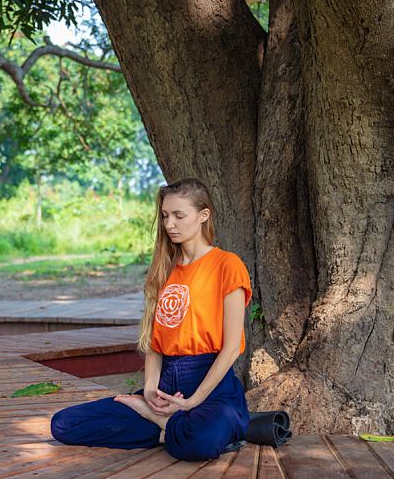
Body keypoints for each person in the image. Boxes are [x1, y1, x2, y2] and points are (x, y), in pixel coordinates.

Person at [50, 177, 251, 461]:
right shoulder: (164, 271)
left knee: (201, 441)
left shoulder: (227, 265)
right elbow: (156, 346)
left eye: (179, 216)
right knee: (64, 424)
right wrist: (149, 392)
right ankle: (171, 431)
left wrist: (191, 402)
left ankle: (165, 426)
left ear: (203, 215)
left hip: (211, 390)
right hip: (165, 385)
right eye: (166, 216)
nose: (169, 224)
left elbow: (231, 349)